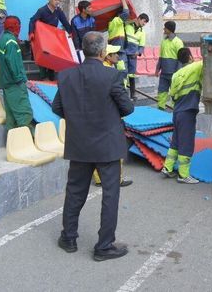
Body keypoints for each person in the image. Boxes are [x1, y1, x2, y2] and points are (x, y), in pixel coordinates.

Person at [52, 31, 134, 261]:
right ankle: (104, 245)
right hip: (107, 145)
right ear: (102, 51)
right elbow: (127, 108)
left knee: (75, 191)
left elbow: (57, 107)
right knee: (110, 194)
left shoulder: (66, 76)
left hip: (79, 143)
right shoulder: (112, 76)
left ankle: (68, 237)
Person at [91, 44, 133, 188]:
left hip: (96, 116)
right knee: (116, 149)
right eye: (115, 53)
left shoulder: (99, 70)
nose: (118, 56)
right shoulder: (110, 72)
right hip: (112, 115)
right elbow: (119, 97)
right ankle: (117, 178)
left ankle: (99, 178)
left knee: (98, 149)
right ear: (107, 56)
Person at [160, 48, 203, 184]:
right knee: (186, 143)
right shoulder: (196, 67)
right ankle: (183, 175)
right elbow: (207, 61)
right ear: (190, 57)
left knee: (176, 142)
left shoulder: (176, 74)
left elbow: (172, 95)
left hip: (177, 111)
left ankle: (167, 167)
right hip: (188, 111)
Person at [0, 16, 33, 130]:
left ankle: (12, 144)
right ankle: (27, 143)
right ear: (16, 26)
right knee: (24, 115)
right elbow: (14, 64)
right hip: (15, 85)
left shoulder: (2, 40)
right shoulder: (11, 42)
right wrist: (21, 80)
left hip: (6, 84)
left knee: (11, 117)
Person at [29, 0, 72, 80]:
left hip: (53, 38)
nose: (57, 2)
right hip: (43, 38)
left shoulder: (58, 11)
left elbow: (65, 22)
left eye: (58, 0)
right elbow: (32, 20)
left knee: (53, 57)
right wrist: (31, 33)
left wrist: (70, 32)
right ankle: (43, 77)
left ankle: (51, 77)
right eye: (55, 0)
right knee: (44, 57)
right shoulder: (42, 10)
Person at [155, 20, 184, 110]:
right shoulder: (164, 41)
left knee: (174, 92)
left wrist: (178, 72)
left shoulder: (178, 42)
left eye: (165, 28)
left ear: (169, 29)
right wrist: (157, 69)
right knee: (161, 91)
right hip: (164, 72)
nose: (164, 29)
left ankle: (174, 110)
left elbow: (180, 59)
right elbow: (161, 56)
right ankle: (160, 108)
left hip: (174, 73)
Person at [125, 13, 149, 100]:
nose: (144, 23)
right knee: (123, 73)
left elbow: (141, 46)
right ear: (139, 18)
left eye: (146, 22)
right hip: (124, 53)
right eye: (144, 21)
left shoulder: (142, 32)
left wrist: (138, 52)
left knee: (131, 75)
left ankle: (132, 94)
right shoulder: (128, 26)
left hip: (133, 56)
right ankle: (123, 94)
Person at [107, 0, 130, 80]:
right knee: (122, 72)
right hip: (118, 50)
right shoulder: (116, 21)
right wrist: (123, 0)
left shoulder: (116, 24)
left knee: (122, 72)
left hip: (119, 50)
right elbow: (126, 13)